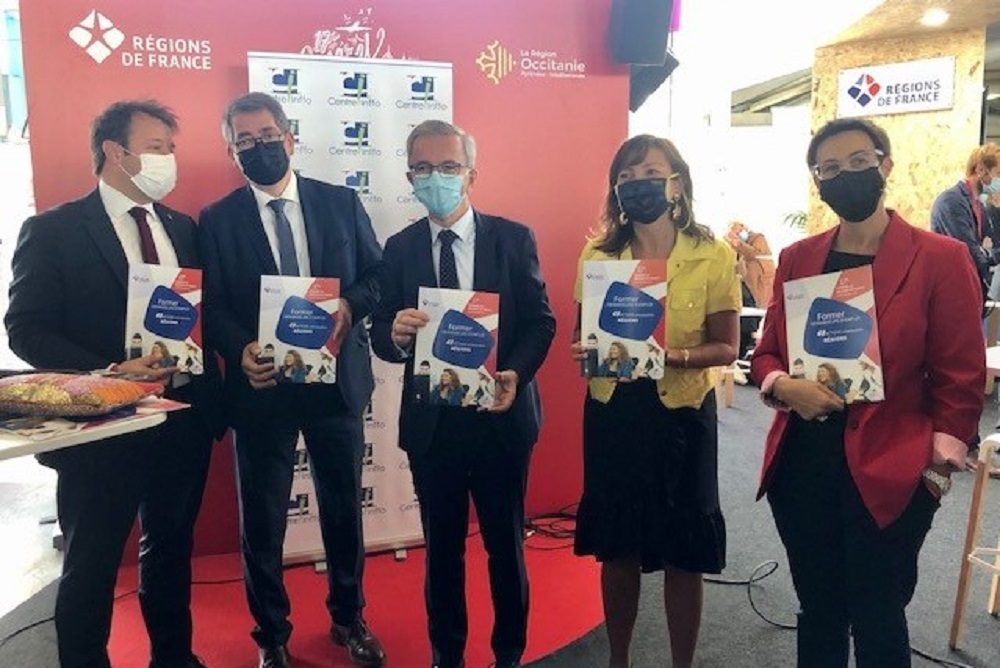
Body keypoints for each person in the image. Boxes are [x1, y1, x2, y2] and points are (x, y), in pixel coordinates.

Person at [752, 118, 984, 668]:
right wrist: (784, 386)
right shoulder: (798, 258)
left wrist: (937, 470)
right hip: (804, 463)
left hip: (892, 467)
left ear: (884, 165)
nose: (844, 175)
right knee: (818, 608)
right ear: (818, 181)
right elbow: (767, 353)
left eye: (858, 161)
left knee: (879, 612)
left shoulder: (940, 258)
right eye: (829, 168)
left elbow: (962, 375)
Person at [4, 100, 225, 668]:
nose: (169, 160)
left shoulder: (183, 228)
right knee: (93, 563)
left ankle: (174, 656)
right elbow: (25, 328)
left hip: (180, 421)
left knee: (171, 551)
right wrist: (105, 373)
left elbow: (203, 315)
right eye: (157, 148)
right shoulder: (54, 230)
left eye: (170, 149)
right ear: (114, 152)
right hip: (101, 432)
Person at [198, 92, 385, 668]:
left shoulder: (339, 203)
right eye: (244, 142)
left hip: (336, 386)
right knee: (263, 517)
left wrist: (349, 308)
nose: (259, 148)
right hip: (262, 390)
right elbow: (217, 305)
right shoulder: (218, 219)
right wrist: (239, 347)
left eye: (266, 135)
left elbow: (376, 275)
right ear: (232, 151)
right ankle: (271, 634)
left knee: (342, 510)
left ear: (290, 136)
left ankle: (349, 619)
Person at [371, 120, 555, 668]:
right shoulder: (399, 247)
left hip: (501, 418)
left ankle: (509, 655)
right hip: (434, 428)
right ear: (409, 176)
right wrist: (396, 334)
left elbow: (540, 323)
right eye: (424, 168)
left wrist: (514, 375)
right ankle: (445, 655)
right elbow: (382, 334)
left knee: (506, 548)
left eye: (449, 167)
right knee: (442, 553)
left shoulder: (512, 237)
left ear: (471, 173)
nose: (437, 178)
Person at [570, 134, 740, 668]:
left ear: (676, 182)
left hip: (683, 415)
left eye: (649, 172)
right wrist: (587, 351)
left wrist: (675, 356)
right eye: (626, 176)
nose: (637, 184)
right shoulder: (598, 254)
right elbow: (584, 334)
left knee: (682, 552)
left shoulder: (713, 254)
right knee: (617, 547)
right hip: (614, 410)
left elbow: (728, 346)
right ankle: (618, 659)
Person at [930, 142, 1000, 305]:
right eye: (999, 173)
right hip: (951, 296)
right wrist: (987, 254)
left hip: (973, 296)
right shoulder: (952, 202)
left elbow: (994, 244)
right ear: (980, 169)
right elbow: (970, 255)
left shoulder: (980, 205)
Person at [726, 220, 776, 308]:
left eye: (737, 230)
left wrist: (738, 243)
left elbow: (754, 253)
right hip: (745, 281)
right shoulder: (736, 244)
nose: (736, 234)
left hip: (761, 281)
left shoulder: (758, 238)